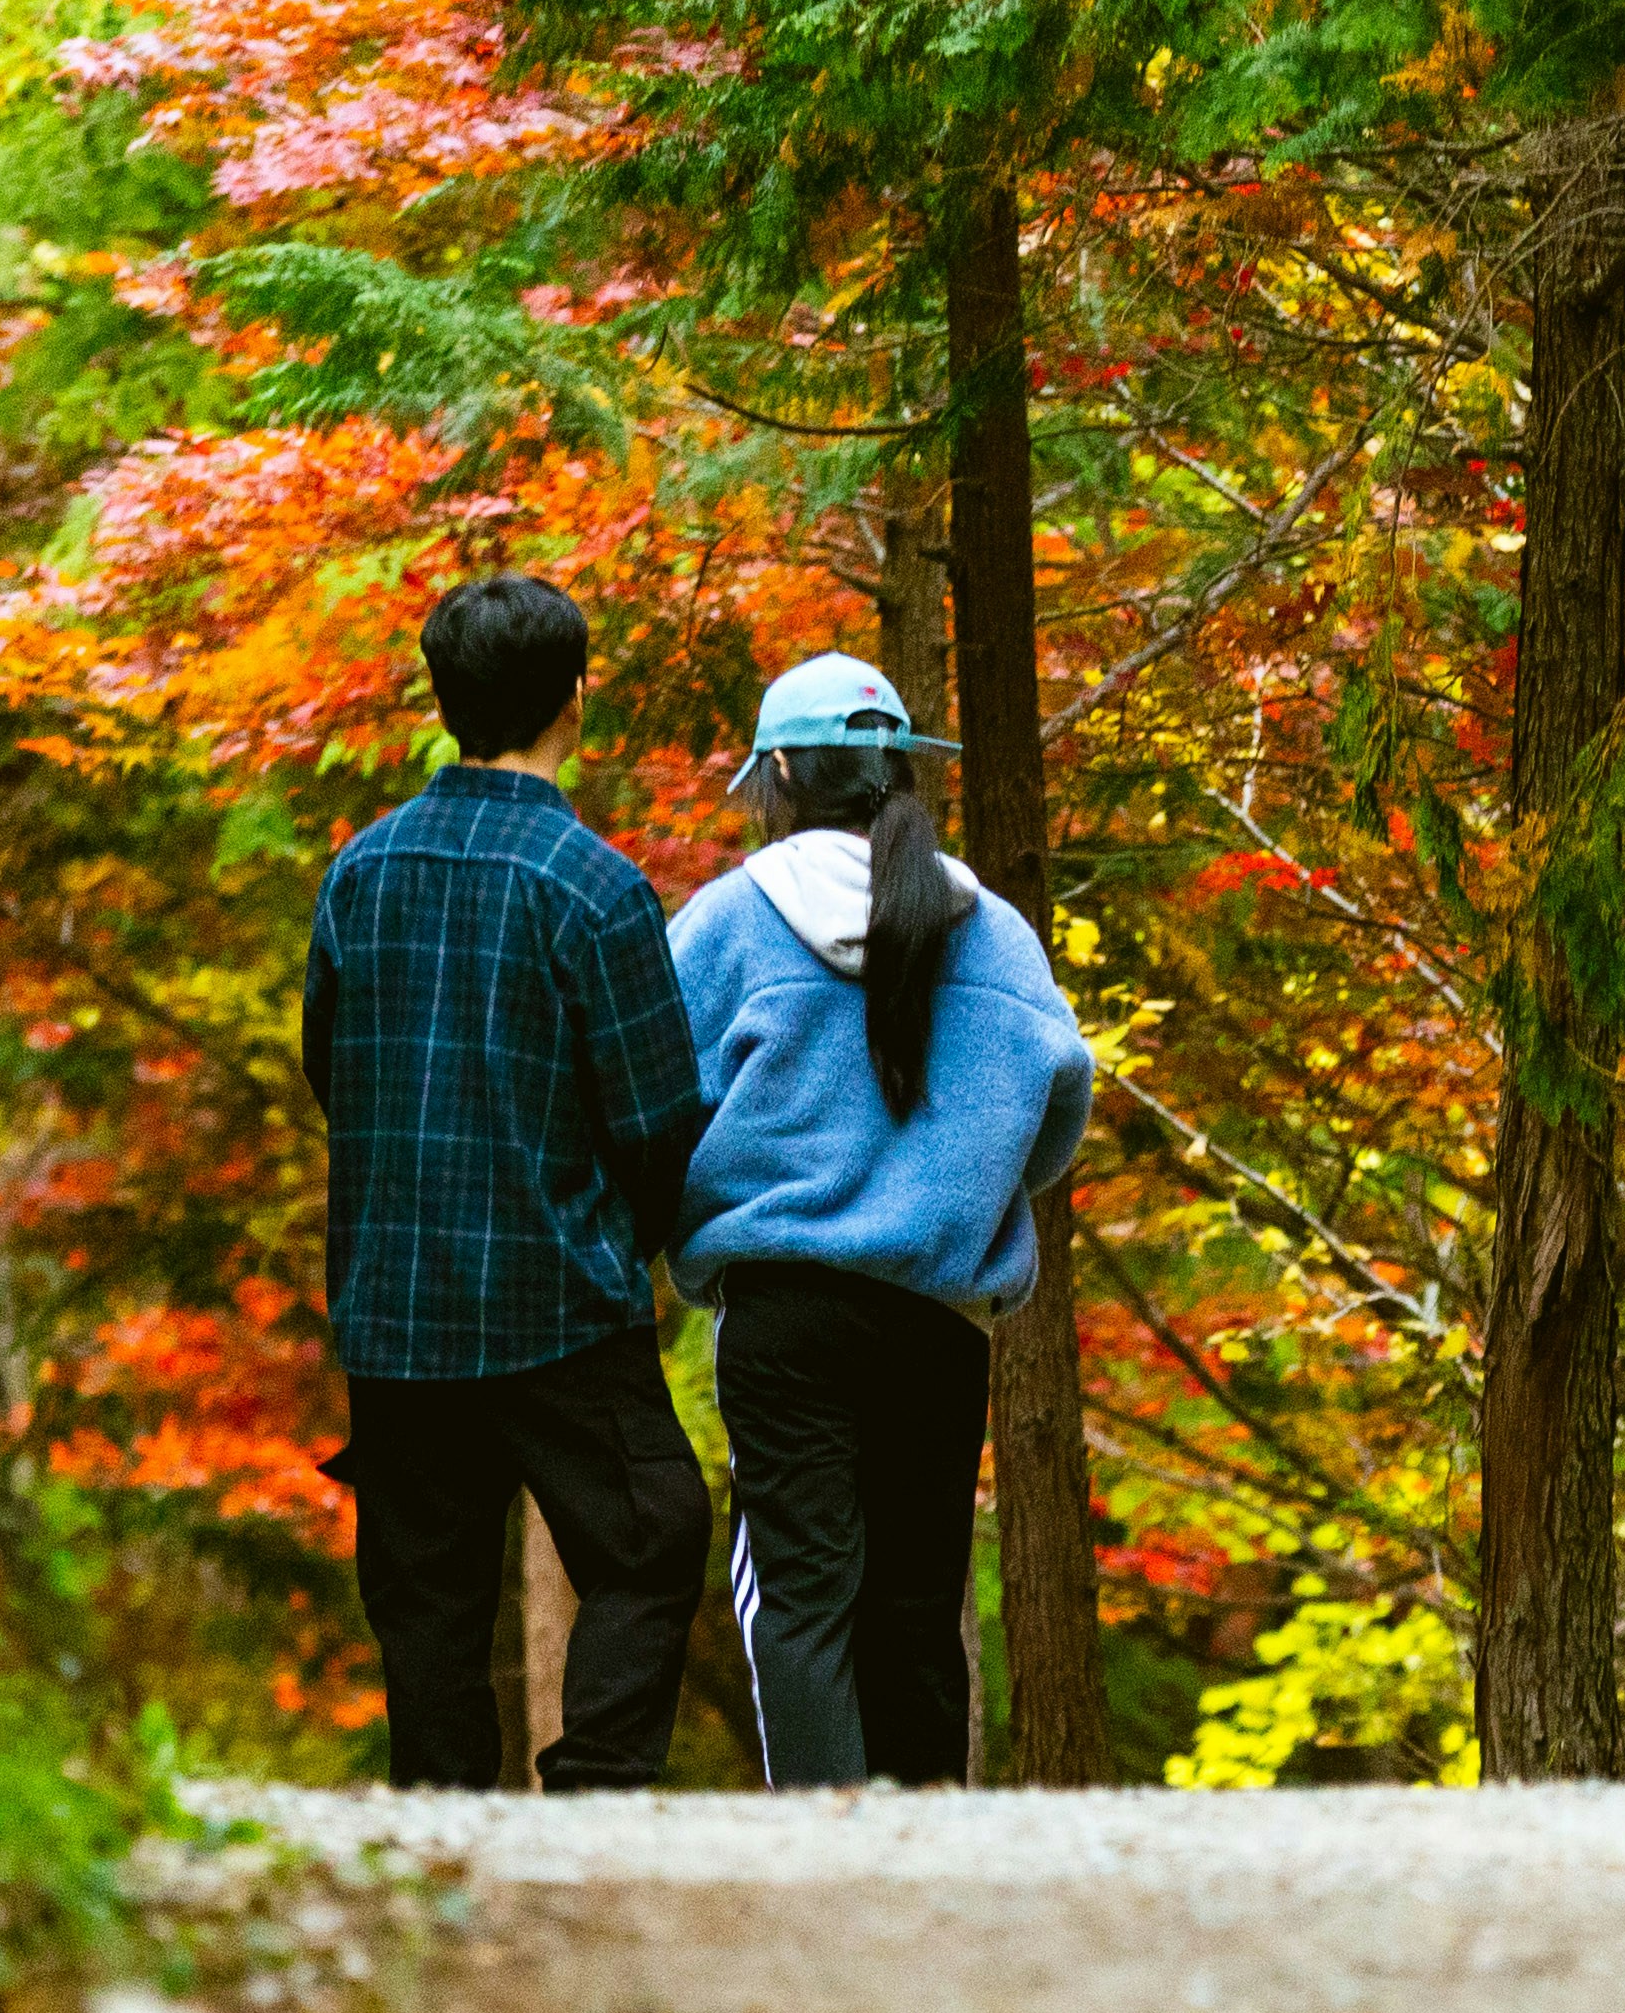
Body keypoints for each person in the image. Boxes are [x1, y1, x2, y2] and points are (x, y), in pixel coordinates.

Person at [304, 576, 714, 1791]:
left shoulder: (359, 875)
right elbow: (658, 1122)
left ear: (444, 703)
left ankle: (444, 1825)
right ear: (575, 698)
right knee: (653, 1537)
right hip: (557, 1300)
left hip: (397, 1306)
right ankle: (591, 1792)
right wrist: (617, 1240)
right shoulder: (594, 888)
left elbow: (332, 1067)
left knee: (427, 1597)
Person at [666, 651, 1098, 1791]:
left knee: (801, 1601)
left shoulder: (725, 922)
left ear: (780, 777)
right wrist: (969, 1183)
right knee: (917, 1603)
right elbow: (1059, 1097)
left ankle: (825, 1862)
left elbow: (653, 1095)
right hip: (938, 1317)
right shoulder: (991, 931)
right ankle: (925, 1861)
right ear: (898, 771)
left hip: (786, 1308)